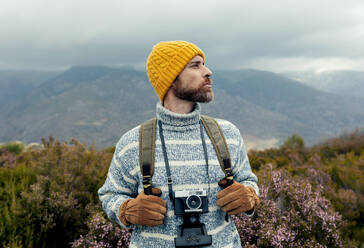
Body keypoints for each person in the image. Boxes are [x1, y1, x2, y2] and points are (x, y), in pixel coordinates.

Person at [98, 40, 259, 247]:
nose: (208, 71)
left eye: (204, 64)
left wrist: (249, 196)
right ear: (171, 79)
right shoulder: (132, 142)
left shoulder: (228, 134)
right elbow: (110, 194)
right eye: (195, 65)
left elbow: (248, 180)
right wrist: (127, 210)